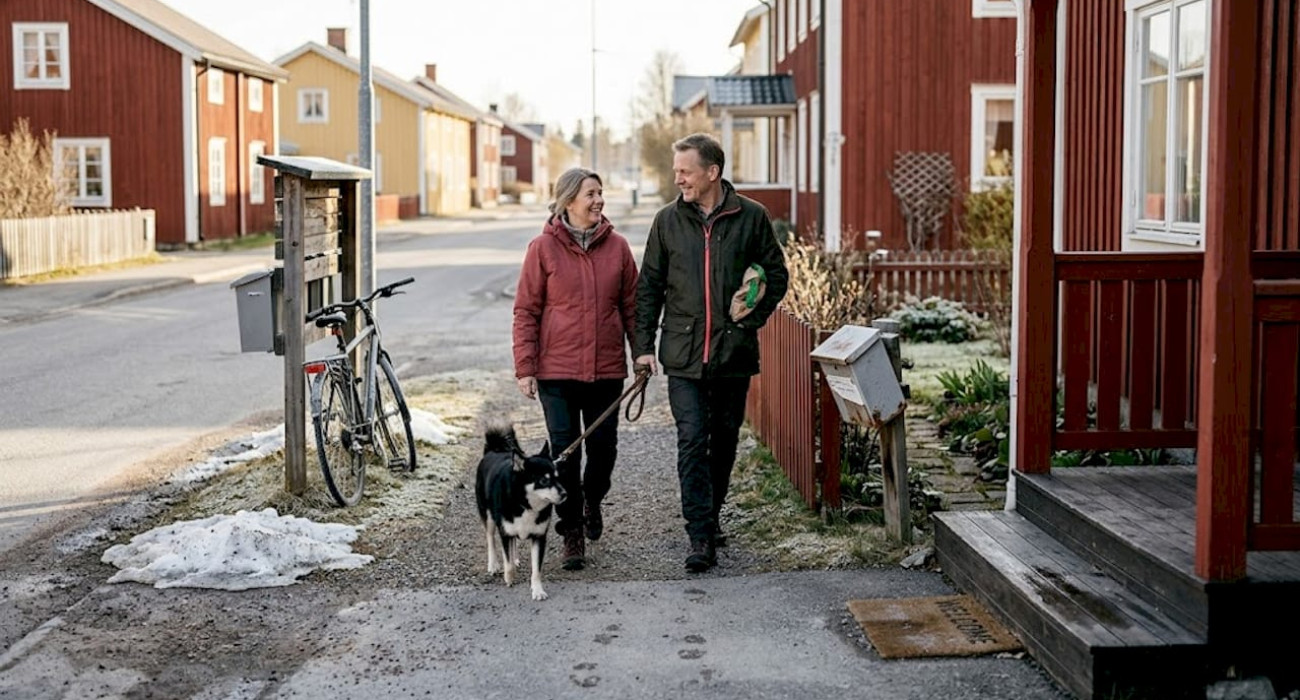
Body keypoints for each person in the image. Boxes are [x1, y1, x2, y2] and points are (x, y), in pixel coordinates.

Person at [633, 133, 788, 573]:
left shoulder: (752, 217)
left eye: (685, 170)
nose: (677, 178)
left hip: (732, 354)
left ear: (712, 172)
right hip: (682, 353)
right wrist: (643, 348)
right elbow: (649, 288)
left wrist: (749, 320)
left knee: (723, 443)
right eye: (676, 170)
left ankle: (712, 512)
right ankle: (699, 533)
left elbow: (776, 276)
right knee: (691, 440)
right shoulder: (667, 221)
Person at [513, 167, 638, 571]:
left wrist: (643, 353)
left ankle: (592, 501)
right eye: (591, 193)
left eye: (601, 192)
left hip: (605, 371)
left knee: (602, 451)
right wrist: (525, 367)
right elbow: (526, 311)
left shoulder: (618, 248)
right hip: (557, 373)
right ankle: (571, 532)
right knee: (565, 454)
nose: (599, 200)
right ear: (568, 201)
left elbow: (633, 308)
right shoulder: (542, 249)